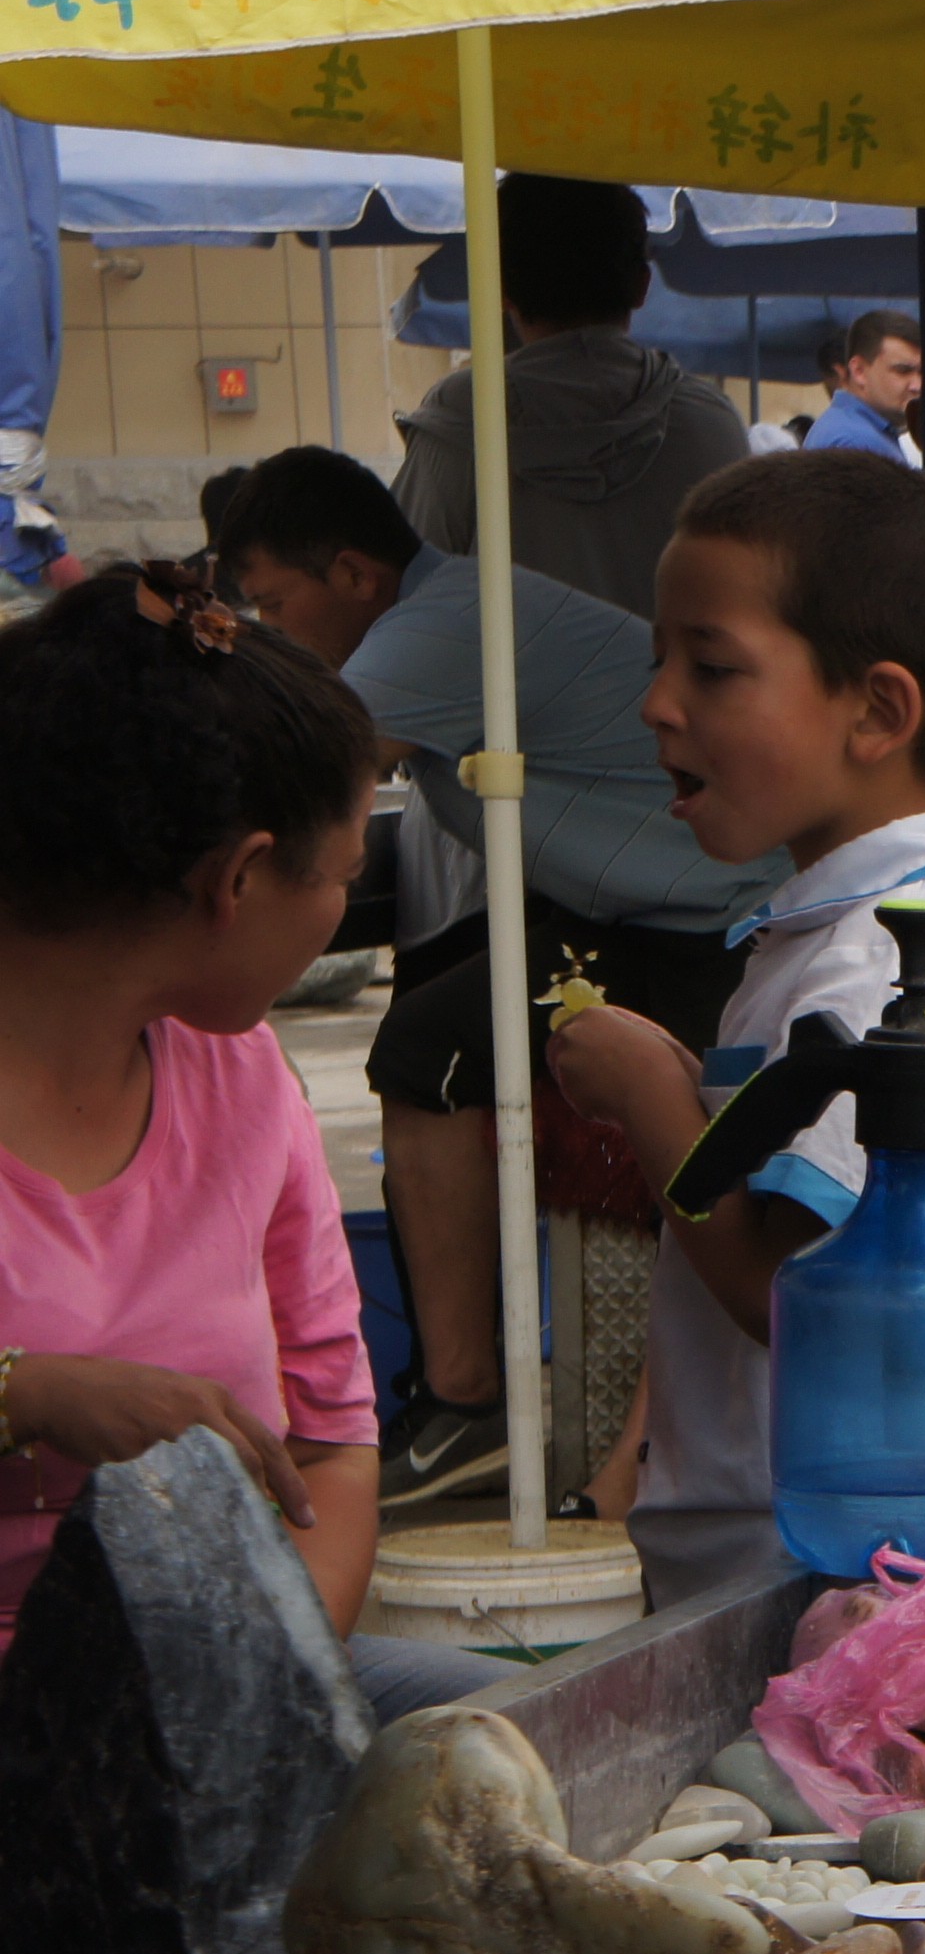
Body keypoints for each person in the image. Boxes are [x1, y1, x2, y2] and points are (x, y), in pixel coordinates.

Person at [542, 453, 925, 1603]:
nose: (658, 702)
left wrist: (647, 1096)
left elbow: (785, 1287)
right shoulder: (838, 931)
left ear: (876, 709)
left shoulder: (887, 954)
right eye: (659, 659)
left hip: (825, 1572)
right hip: (779, 1552)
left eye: (713, 668)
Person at [216, 447, 772, 1504]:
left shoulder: (432, 625)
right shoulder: (456, 607)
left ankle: (469, 1404)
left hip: (706, 930)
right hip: (643, 913)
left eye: (277, 608)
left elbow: (292, 775)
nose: (279, 637)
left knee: (426, 1048)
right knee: (436, 1024)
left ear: (354, 574)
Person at [0, 567, 501, 1720]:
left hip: (202, 1692)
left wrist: (255, 1696)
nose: (338, 905)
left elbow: (331, 1451)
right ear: (237, 878)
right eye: (337, 878)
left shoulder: (243, 1081)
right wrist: (27, 1393)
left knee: (535, 1737)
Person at [388, 175, 750, 623]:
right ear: (642, 285)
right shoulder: (712, 424)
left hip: (510, 694)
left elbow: (403, 596)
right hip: (668, 692)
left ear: (499, 288)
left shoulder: (466, 422)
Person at [803, 312, 925, 466]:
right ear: (859, 371)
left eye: (923, 373)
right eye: (902, 370)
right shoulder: (856, 442)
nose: (917, 385)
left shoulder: (853, 430)